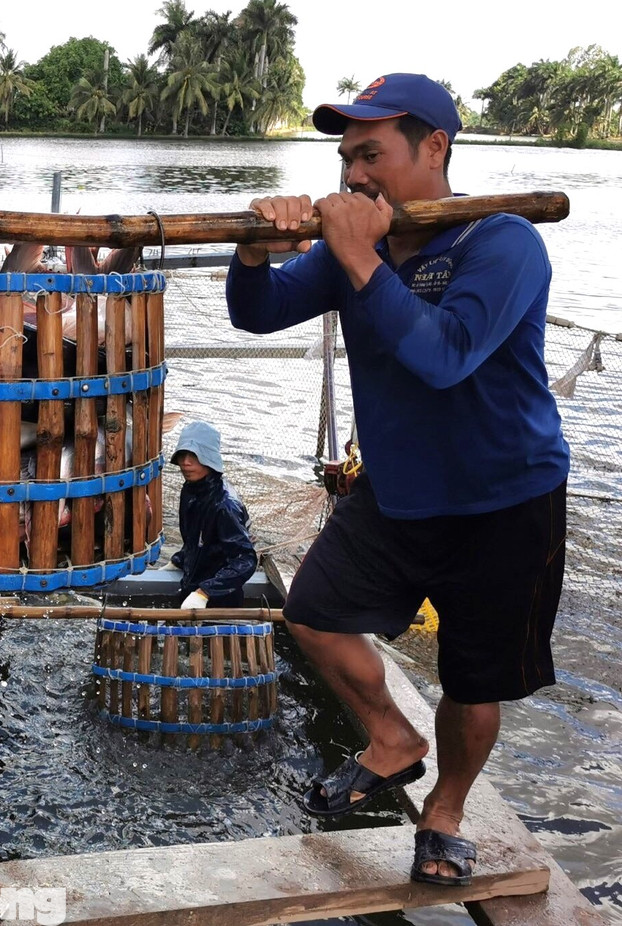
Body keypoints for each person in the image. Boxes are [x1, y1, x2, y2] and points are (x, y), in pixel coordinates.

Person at [225, 74, 569, 888]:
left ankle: (446, 810)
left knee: (474, 680)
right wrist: (253, 251)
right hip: (399, 491)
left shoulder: (502, 241)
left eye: (371, 154)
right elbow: (259, 312)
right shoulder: (361, 243)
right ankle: (391, 737)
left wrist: (352, 253)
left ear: (435, 148)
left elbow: (445, 358)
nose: (354, 176)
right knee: (312, 613)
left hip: (505, 499)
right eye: (347, 159)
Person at [168, 421, 256, 610]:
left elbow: (246, 560)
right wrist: (179, 560)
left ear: (208, 458)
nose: (185, 462)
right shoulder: (190, 491)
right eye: (182, 455)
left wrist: (205, 593)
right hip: (192, 587)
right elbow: (198, 542)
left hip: (221, 599)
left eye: (194, 456)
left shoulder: (225, 506)